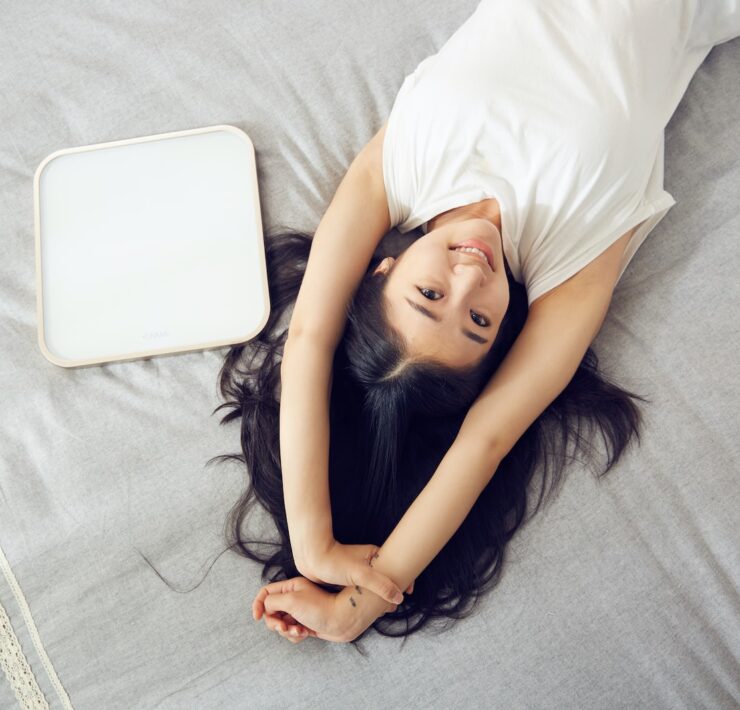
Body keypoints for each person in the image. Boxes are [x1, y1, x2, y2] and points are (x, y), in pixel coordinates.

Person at [208, 0, 740, 649]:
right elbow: (483, 441)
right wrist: (366, 601)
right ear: (503, 347)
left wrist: (317, 543)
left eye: (428, 293)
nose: (470, 276)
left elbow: (310, 341)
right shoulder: (574, 256)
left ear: (378, 272)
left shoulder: (401, 166)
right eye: (480, 321)